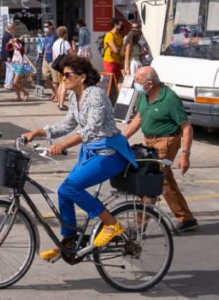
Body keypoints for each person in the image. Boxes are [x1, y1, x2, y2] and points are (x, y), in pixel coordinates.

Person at [21, 55, 138, 260]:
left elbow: (91, 129)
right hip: (92, 153)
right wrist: (36, 133)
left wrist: (63, 145)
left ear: (82, 77)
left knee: (69, 187)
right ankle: (69, 241)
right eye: (61, 75)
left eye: (67, 75)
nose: (63, 78)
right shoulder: (76, 97)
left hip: (109, 153)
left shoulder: (96, 95)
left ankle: (111, 224)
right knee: (64, 192)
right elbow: (67, 125)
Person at [122, 66, 198, 232]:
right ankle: (186, 219)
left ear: (149, 84)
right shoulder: (144, 95)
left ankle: (139, 225)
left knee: (151, 180)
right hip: (148, 141)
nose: (135, 83)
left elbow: (186, 128)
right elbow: (140, 117)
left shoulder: (169, 98)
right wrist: (124, 137)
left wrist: (185, 154)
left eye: (138, 80)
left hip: (167, 142)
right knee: (165, 179)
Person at [51, 26, 72, 111]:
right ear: (65, 34)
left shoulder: (55, 43)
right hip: (64, 66)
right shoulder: (65, 42)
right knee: (64, 85)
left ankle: (59, 102)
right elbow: (72, 53)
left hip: (58, 65)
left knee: (60, 84)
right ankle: (62, 105)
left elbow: (54, 56)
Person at [7, 34, 29, 102]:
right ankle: (18, 97)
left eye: (16, 40)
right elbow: (7, 48)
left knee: (15, 83)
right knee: (17, 83)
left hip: (19, 65)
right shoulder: (15, 47)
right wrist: (9, 43)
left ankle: (25, 92)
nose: (14, 42)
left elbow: (18, 47)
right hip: (15, 64)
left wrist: (13, 42)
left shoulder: (20, 46)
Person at [40, 21, 56, 100]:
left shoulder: (55, 36)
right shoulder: (45, 36)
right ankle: (54, 91)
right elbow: (45, 47)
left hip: (53, 60)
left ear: (51, 26)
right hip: (46, 60)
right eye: (44, 26)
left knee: (55, 79)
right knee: (45, 77)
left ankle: (56, 94)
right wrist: (43, 57)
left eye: (46, 26)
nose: (45, 28)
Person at [0, 23, 16, 89]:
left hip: (5, 55)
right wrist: (9, 56)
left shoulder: (5, 35)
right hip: (8, 55)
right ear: (11, 29)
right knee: (11, 69)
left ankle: (7, 83)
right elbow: (8, 47)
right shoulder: (8, 36)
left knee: (8, 69)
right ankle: (9, 84)